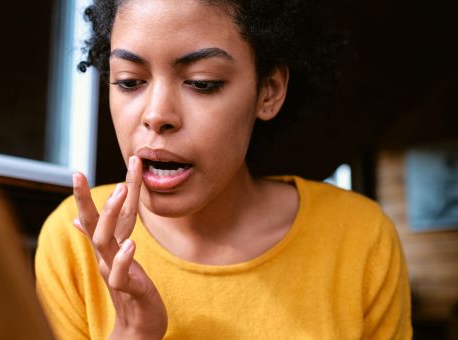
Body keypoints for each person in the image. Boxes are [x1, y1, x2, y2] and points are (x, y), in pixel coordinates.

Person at [35, 0, 412, 339]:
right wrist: (133, 333)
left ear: (269, 91)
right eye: (130, 82)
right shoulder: (73, 242)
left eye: (202, 83)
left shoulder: (360, 237)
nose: (156, 116)